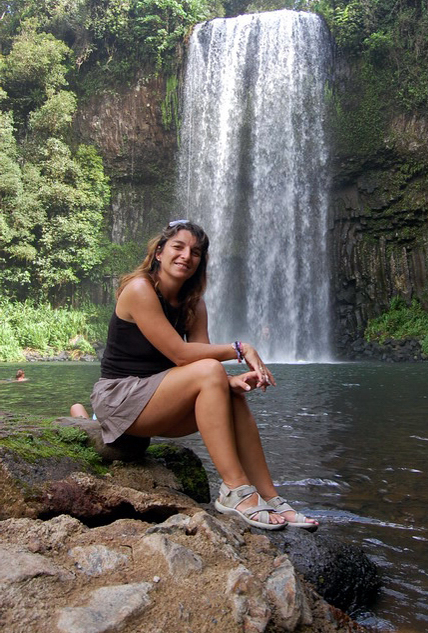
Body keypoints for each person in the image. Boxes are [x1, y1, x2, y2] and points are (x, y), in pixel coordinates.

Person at [88, 219, 318, 531]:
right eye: (178, 247)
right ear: (159, 252)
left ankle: (269, 496)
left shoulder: (193, 303)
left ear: (201, 262)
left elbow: (200, 362)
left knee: (231, 393)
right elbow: (181, 355)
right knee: (213, 372)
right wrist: (240, 348)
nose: (186, 256)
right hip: (120, 396)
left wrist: (230, 382)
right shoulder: (139, 289)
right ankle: (235, 489)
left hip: (156, 400)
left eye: (195, 252)